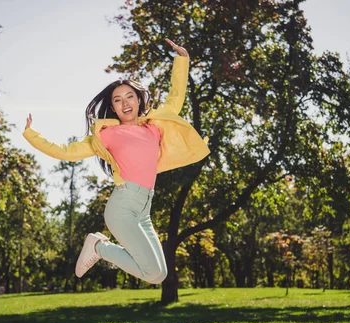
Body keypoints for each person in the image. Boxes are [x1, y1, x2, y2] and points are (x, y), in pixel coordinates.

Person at [22, 38, 210, 284]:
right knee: (152, 273)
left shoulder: (153, 128)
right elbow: (65, 151)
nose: (125, 103)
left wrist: (182, 60)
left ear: (139, 100)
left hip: (144, 210)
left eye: (129, 96)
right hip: (122, 207)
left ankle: (100, 247)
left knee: (160, 274)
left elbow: (175, 99)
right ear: (113, 108)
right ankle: (99, 247)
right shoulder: (108, 135)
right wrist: (31, 134)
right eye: (118, 100)